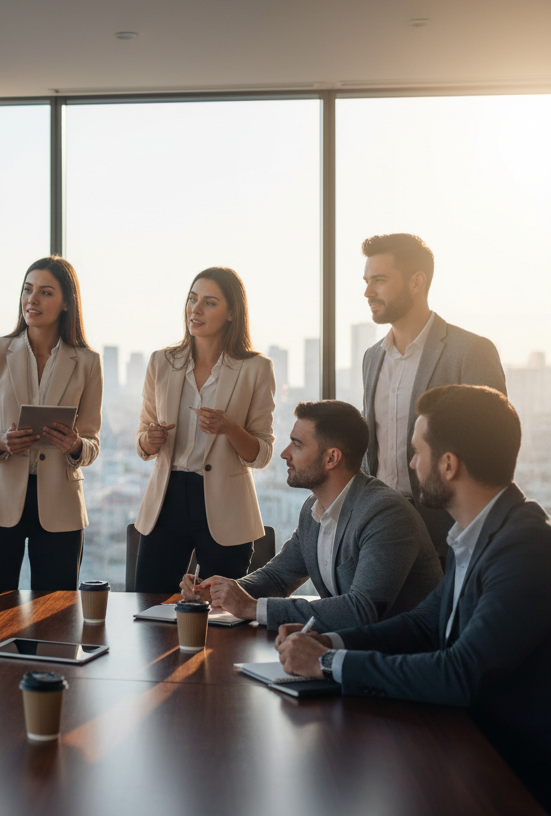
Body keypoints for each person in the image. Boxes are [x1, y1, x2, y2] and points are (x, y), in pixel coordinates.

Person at [278, 385, 551, 811]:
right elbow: (422, 624)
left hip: (509, 774)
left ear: (448, 465)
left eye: (417, 452)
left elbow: (461, 673)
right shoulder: (474, 534)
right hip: (460, 742)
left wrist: (328, 664)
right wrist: (328, 642)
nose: (410, 463)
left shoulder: (523, 546)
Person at [182, 400, 441, 631]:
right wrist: (218, 592)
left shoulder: (385, 513)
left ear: (331, 458)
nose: (285, 453)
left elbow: (362, 610)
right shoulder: (312, 509)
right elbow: (277, 578)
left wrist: (253, 608)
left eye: (297, 444)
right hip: (349, 649)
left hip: (403, 658)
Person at [0, 257, 103, 617]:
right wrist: (0, 443)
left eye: (45, 292)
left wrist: (75, 446)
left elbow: (92, 443)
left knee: (55, 619)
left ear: (67, 302)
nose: (32, 299)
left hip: (60, 505)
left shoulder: (87, 362)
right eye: (28, 289)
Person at [360, 233, 506, 563]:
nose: (368, 292)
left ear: (417, 281)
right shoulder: (372, 357)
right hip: (380, 527)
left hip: (447, 534)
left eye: (379, 280)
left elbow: (493, 447)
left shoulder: (470, 351)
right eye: (367, 282)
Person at [133, 266, 275, 592]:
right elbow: (142, 442)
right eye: (192, 299)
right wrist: (151, 439)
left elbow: (261, 454)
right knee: (149, 605)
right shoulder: (161, 362)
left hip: (227, 506)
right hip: (166, 500)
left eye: (209, 303)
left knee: (224, 612)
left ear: (231, 313)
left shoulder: (256, 368)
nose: (195, 309)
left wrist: (229, 428)